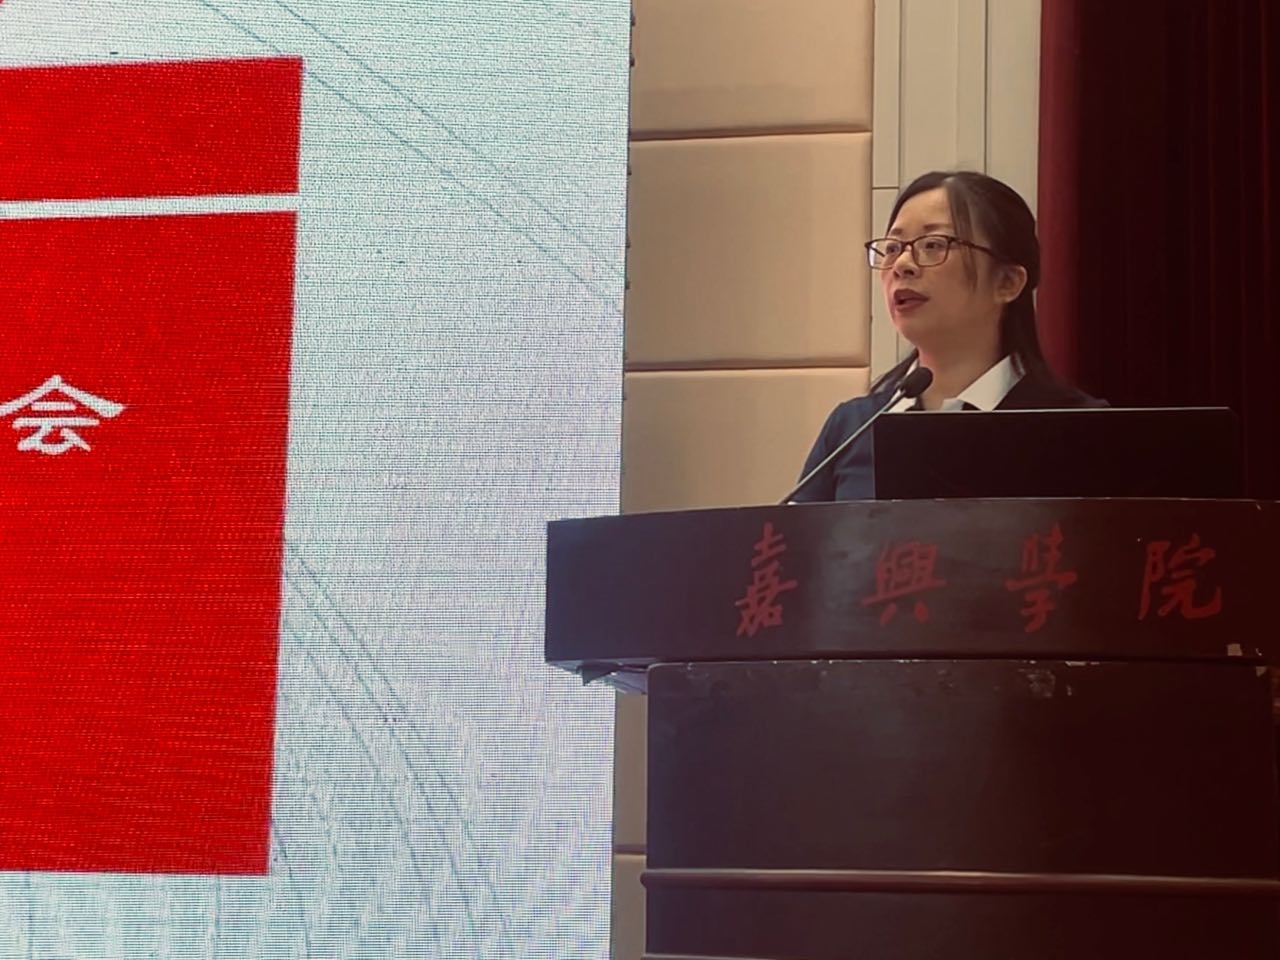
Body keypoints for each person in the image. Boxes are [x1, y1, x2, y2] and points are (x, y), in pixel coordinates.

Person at [793, 170, 1105, 502]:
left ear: (1007, 282)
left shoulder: (1077, 428)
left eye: (933, 245)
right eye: (893, 247)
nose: (902, 264)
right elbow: (794, 535)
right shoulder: (853, 427)